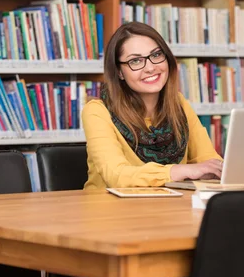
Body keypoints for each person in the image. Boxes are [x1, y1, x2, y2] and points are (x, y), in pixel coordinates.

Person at [82, 21, 224, 189]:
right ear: (119, 72)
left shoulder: (179, 104)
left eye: (156, 55)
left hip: (168, 208)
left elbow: (209, 160)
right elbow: (117, 176)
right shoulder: (97, 111)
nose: (150, 67)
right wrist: (180, 171)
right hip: (110, 211)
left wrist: (215, 171)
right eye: (135, 61)